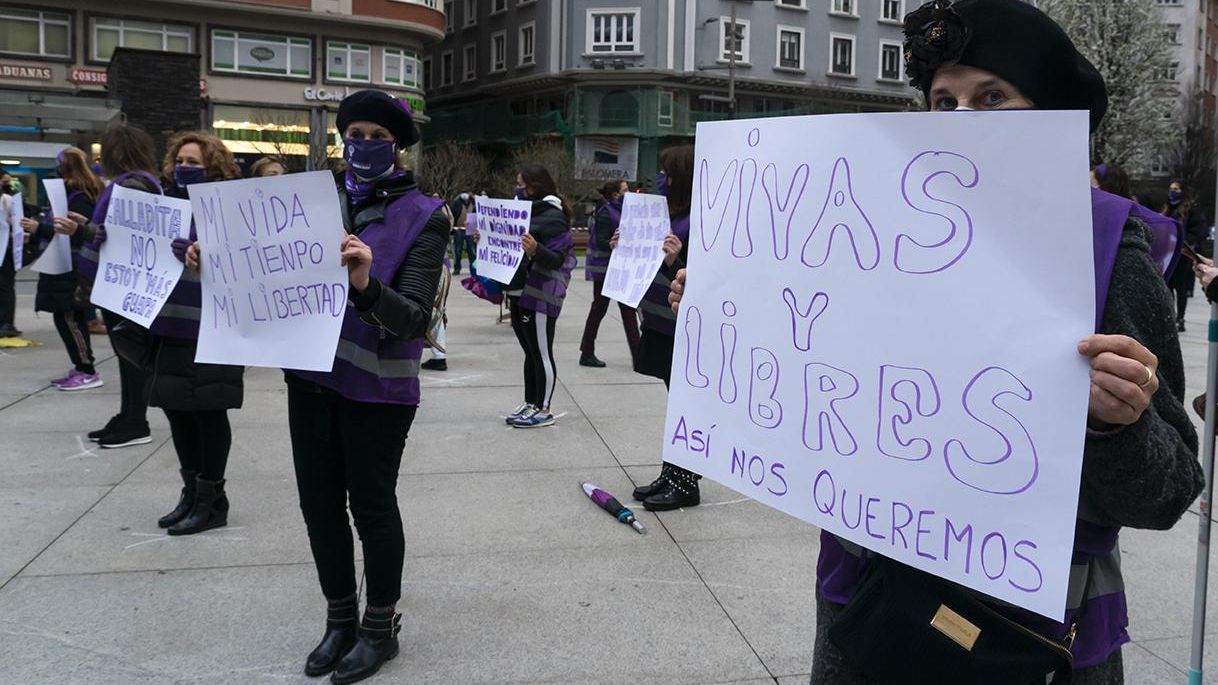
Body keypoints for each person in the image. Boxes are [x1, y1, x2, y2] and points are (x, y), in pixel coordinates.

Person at [671, 2, 1203, 682]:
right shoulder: (869, 228)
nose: (961, 121)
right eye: (944, 100)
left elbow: (1170, 490)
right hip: (868, 605)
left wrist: (1119, 425)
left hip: (1029, 632)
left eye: (992, 98)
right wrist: (724, 308)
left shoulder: (1107, 252)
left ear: (1053, 117)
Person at [188, 90, 449, 684]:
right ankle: (339, 620)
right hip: (309, 383)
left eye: (377, 136)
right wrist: (218, 261)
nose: (362, 144)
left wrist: (364, 284)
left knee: (372, 508)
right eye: (353, 132)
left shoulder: (424, 214)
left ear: (397, 146)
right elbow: (261, 276)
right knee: (319, 508)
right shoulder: (308, 200)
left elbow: (413, 318)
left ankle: (379, 629)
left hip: (378, 393)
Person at [149, 131, 245, 536]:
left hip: (212, 326)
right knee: (177, 409)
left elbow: (248, 261)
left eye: (195, 162)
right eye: (180, 161)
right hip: (169, 324)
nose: (185, 168)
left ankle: (212, 500)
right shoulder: (162, 207)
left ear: (215, 167)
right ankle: (191, 491)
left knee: (207, 410)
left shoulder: (230, 209)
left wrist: (206, 253)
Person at [70, 124, 162, 449]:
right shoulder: (139, 182)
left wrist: (83, 230)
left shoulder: (131, 185)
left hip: (126, 286)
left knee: (131, 354)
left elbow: (121, 237)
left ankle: (135, 420)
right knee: (128, 353)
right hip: (126, 283)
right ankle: (130, 416)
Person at [627, 147, 702, 512]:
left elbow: (705, 278)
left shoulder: (699, 217)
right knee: (676, 404)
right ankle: (671, 473)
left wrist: (677, 261)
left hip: (683, 329)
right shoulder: (670, 213)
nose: (662, 180)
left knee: (686, 405)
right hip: (661, 323)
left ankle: (686, 482)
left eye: (668, 175)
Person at [501, 164, 576, 429]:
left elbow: (556, 258)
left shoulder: (552, 216)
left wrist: (535, 249)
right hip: (520, 289)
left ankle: (543, 409)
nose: (518, 189)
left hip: (542, 292)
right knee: (530, 351)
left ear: (535, 186)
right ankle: (531, 402)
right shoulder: (524, 212)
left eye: (522, 185)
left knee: (541, 351)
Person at [21, 148, 104, 390]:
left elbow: (80, 234)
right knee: (66, 319)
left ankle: (87, 369)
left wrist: (40, 229)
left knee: (70, 319)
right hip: (62, 265)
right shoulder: (72, 194)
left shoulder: (79, 196)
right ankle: (81, 366)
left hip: (71, 267)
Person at [578, 179, 641, 369]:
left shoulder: (621, 211)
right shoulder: (607, 212)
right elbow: (602, 241)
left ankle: (588, 351)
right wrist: (612, 243)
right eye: (625, 190)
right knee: (604, 309)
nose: (629, 192)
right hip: (606, 270)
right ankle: (588, 352)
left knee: (621, 310)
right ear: (615, 195)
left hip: (618, 268)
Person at [1162, 179, 1206, 331]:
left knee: (1180, 288)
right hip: (1167, 254)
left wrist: (1183, 241)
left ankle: (1180, 318)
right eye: (1171, 188)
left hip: (1182, 255)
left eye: (1176, 189)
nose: (1172, 191)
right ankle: (1170, 316)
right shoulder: (1166, 208)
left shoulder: (1190, 209)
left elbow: (1198, 230)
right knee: (1167, 287)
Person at [423, 190, 455, 372]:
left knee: (434, 310)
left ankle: (438, 355)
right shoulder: (443, 208)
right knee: (437, 309)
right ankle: (438, 353)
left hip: (433, 267)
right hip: (441, 265)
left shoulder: (429, 211)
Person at [0, 170, 19, 338]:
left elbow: (18, 221)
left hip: (5, 248)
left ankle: (7, 323)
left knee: (5, 286)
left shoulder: (7, 200)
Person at [449, 191, 476, 274]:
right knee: (458, 250)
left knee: (472, 250)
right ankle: (457, 268)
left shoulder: (473, 203)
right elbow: (453, 215)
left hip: (471, 229)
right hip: (459, 229)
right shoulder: (456, 203)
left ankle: (473, 269)